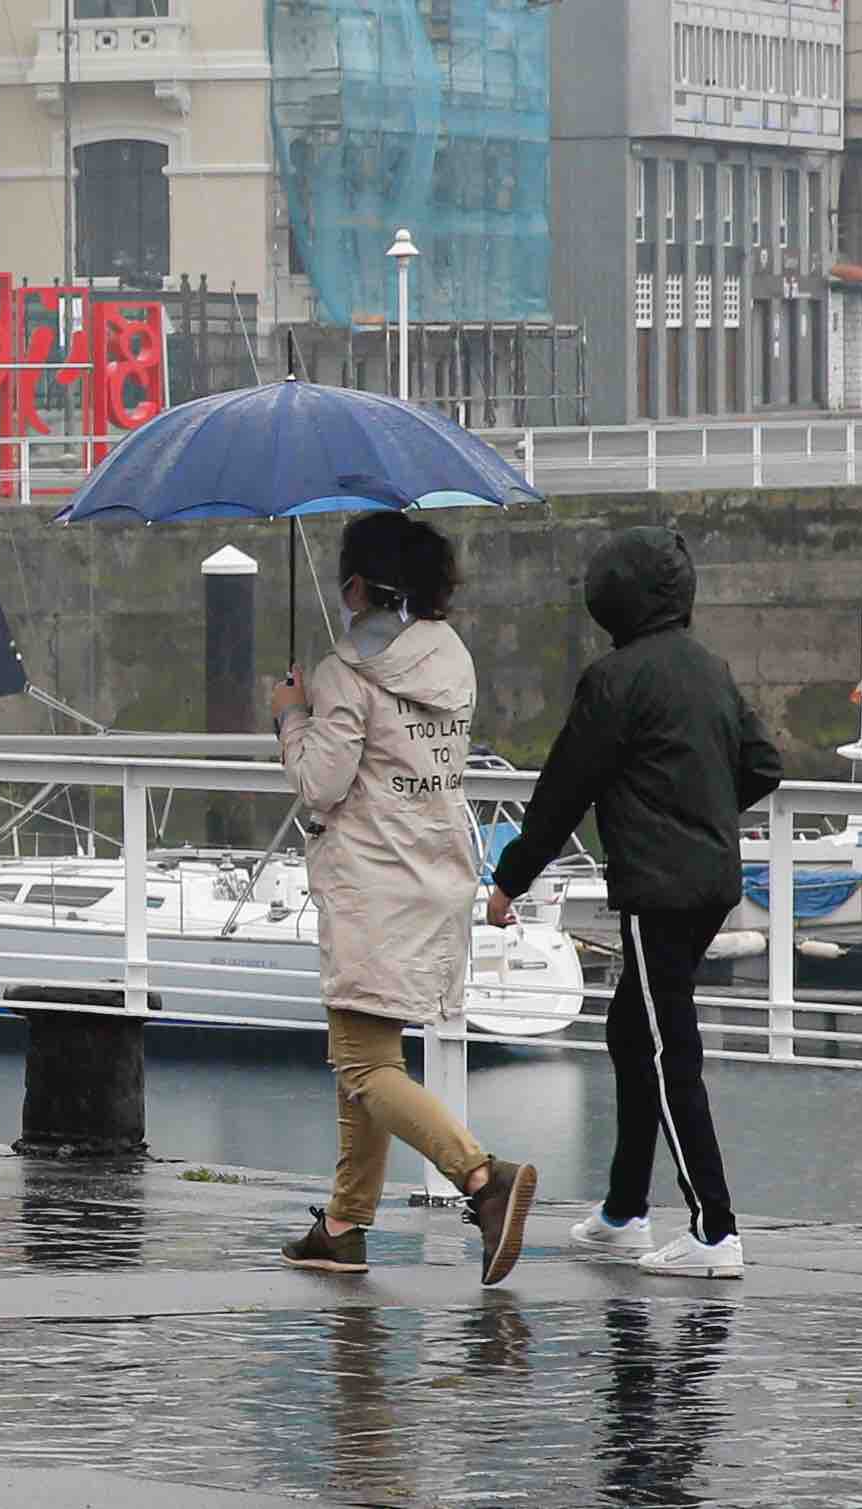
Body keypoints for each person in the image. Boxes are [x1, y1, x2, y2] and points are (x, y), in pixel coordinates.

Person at [486, 526, 783, 1280]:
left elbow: (561, 793)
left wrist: (510, 880)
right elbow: (763, 764)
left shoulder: (613, 682)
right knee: (631, 1027)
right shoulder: (707, 668)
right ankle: (624, 1209)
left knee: (664, 1046)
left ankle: (715, 1229)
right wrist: (704, 808)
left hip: (658, 886)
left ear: (610, 600)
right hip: (713, 879)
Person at [269, 511, 538, 1288]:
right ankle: (344, 1225)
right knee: (368, 1053)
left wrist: (290, 716)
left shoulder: (344, 674)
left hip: (371, 883)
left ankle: (483, 1178)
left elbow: (321, 786)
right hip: (436, 875)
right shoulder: (451, 658)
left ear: (356, 586)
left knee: (360, 1061)